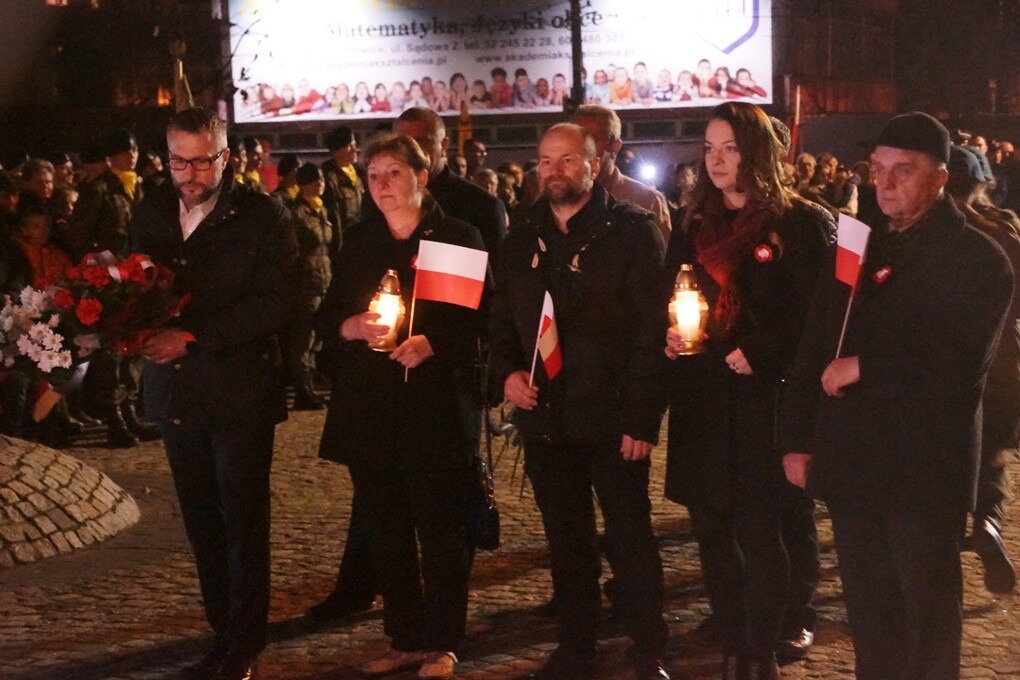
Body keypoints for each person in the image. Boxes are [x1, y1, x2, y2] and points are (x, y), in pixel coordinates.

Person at [780, 111, 1014, 680]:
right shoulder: (857, 247)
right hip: (853, 463)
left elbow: (958, 367)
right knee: (871, 615)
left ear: (939, 179)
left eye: (901, 172)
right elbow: (815, 346)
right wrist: (797, 439)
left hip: (922, 471)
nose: (883, 183)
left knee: (928, 615)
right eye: (878, 169)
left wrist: (866, 366)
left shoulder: (980, 261)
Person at [307, 106, 507, 623]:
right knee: (385, 528)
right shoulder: (362, 241)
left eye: (393, 173)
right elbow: (329, 315)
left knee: (440, 531)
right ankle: (404, 634)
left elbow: (475, 323)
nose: (381, 184)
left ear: (421, 176)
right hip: (371, 407)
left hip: (433, 408)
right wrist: (351, 327)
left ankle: (442, 638)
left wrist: (430, 344)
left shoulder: (453, 237)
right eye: (373, 175)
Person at [489, 122, 670, 680]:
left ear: (594, 164)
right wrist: (508, 374)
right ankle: (576, 645)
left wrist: (642, 419)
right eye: (545, 161)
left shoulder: (632, 233)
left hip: (613, 418)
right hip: (546, 417)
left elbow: (652, 333)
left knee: (629, 537)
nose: (553, 171)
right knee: (566, 541)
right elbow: (500, 325)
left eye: (567, 160)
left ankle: (648, 646)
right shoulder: (520, 241)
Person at [662, 101, 833, 680]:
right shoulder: (692, 227)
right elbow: (677, 295)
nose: (716, 160)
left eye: (729, 148)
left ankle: (762, 646)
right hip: (704, 399)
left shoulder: (800, 223)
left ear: (757, 153)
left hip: (766, 401)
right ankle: (733, 634)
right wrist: (674, 334)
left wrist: (763, 348)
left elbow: (820, 319)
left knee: (763, 529)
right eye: (709, 148)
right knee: (711, 527)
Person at [131, 107, 299, 680]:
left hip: (238, 390)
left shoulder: (261, 216)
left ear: (224, 156)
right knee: (202, 519)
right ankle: (220, 629)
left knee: (242, 518)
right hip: (176, 392)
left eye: (201, 160)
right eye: (178, 160)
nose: (189, 173)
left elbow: (278, 303)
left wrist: (196, 336)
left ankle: (244, 642)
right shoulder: (152, 206)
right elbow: (137, 280)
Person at [945, 144, 1020, 594]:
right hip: (1003, 357)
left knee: (950, 450)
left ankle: (951, 534)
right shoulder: (1004, 228)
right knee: (992, 452)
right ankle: (988, 522)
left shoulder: (933, 232)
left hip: (947, 360)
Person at [571, 105, 672, 243]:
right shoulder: (557, 196)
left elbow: (658, 258)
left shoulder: (646, 199)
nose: (582, 148)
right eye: (576, 140)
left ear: (614, 146)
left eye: (592, 140)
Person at [284, 163, 334, 411]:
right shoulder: (297, 213)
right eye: (315, 180)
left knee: (316, 338)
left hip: (322, 279)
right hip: (305, 284)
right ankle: (302, 389)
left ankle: (310, 386)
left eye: (322, 179)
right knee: (304, 338)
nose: (320, 183)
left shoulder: (321, 209)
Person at [320, 125, 364, 259]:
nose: (354, 150)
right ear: (336, 151)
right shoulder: (329, 178)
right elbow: (333, 216)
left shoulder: (358, 175)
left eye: (355, 145)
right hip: (343, 247)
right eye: (349, 146)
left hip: (360, 242)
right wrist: (337, 250)